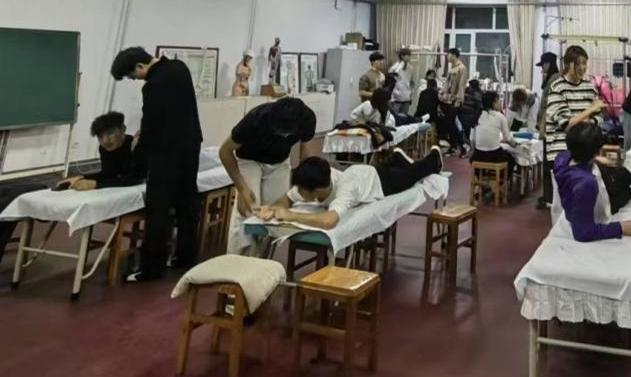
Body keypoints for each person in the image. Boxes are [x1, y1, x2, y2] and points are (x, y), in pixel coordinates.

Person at [110, 46, 202, 282]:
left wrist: (138, 156)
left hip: (166, 152)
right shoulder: (180, 68)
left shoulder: (153, 85)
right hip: (191, 144)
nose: (135, 80)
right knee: (187, 202)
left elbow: (151, 125)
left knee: (158, 209)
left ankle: (152, 268)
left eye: (133, 75)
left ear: (140, 66)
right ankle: (185, 257)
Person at [219, 97, 317, 252]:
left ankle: (260, 261)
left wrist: (304, 183)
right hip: (249, 159)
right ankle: (235, 260)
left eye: (286, 134)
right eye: (280, 132)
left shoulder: (307, 119)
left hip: (279, 162)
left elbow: (306, 154)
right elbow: (224, 151)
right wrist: (242, 187)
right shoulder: (255, 119)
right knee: (248, 210)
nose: (283, 137)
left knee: (273, 212)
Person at [259, 148, 444, 229]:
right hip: (361, 173)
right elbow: (287, 198)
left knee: (413, 174)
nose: (297, 192)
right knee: (396, 168)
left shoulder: (344, 191)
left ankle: (434, 156)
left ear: (316, 191)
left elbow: (330, 221)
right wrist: (274, 208)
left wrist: (292, 215)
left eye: (301, 190)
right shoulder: (314, 180)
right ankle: (397, 159)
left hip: (381, 182)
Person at [554, 122, 631, 242]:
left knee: (623, 177)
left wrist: (595, 158)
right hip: (597, 202)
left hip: (588, 182)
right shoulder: (586, 184)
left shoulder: (562, 158)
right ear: (598, 150)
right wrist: (620, 227)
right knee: (627, 189)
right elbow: (582, 232)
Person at [543, 45, 604, 209]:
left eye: (585, 63)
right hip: (562, 153)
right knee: (567, 202)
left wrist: (589, 120)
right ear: (568, 64)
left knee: (587, 198)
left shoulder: (589, 87)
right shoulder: (557, 88)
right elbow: (567, 124)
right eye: (578, 64)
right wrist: (590, 111)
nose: (582, 68)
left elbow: (599, 117)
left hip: (585, 152)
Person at [54, 111, 146, 191]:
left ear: (123, 129)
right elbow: (108, 174)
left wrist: (97, 184)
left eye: (110, 133)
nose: (105, 141)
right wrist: (82, 178)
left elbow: (135, 179)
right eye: (100, 136)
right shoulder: (104, 148)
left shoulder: (137, 145)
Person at [535, 52, 561, 209]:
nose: (542, 69)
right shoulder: (553, 79)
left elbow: (548, 106)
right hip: (550, 128)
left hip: (550, 129)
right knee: (549, 164)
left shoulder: (554, 80)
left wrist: (543, 127)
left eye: (543, 65)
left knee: (549, 165)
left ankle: (550, 198)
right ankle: (549, 196)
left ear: (548, 64)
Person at [471, 90, 517, 177]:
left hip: (478, 156)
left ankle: (483, 181)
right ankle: (500, 182)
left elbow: (472, 139)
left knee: (475, 160)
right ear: (493, 102)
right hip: (494, 156)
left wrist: (477, 149)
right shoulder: (500, 117)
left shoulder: (478, 115)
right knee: (511, 160)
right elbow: (508, 138)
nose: (500, 103)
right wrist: (515, 144)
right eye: (498, 101)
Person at [388, 48, 415, 116]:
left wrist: (410, 94)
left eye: (410, 55)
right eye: (408, 55)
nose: (409, 57)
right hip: (396, 99)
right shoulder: (394, 68)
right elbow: (390, 82)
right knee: (395, 117)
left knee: (404, 118)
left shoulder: (411, 68)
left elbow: (411, 83)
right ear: (402, 56)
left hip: (406, 99)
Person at [458, 78, 483, 151]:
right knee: (465, 130)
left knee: (469, 131)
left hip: (471, 115)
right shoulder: (465, 90)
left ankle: (470, 145)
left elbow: (480, 107)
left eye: (470, 86)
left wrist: (475, 118)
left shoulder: (478, 94)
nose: (469, 87)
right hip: (463, 114)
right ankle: (468, 144)